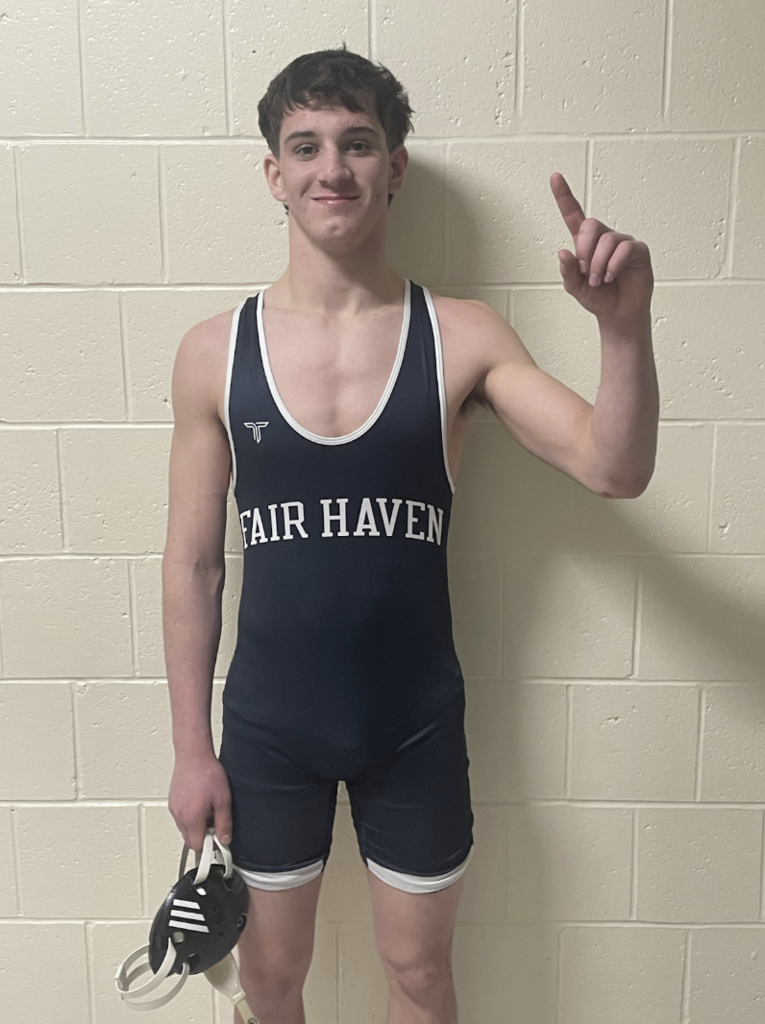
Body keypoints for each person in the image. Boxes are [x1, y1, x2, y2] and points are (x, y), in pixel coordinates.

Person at [162, 44, 658, 1024]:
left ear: (392, 166)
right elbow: (194, 564)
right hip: (267, 729)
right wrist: (189, 750)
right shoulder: (214, 352)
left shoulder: (463, 336)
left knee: (422, 978)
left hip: (413, 724)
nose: (331, 168)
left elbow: (614, 467)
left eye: (356, 143)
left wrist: (624, 328)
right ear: (274, 174)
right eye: (305, 146)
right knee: (268, 981)